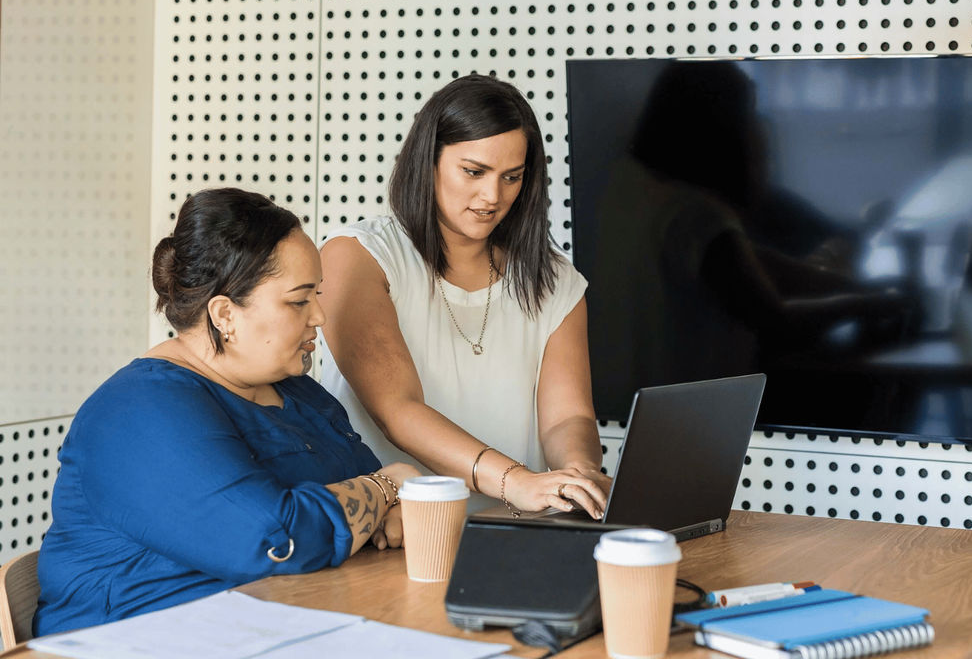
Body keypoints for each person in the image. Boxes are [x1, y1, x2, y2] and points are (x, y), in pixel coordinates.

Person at [34, 189, 419, 635]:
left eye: (317, 295)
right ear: (224, 315)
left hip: (276, 630)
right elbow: (272, 540)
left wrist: (383, 500)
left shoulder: (299, 393)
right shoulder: (137, 412)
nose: (319, 316)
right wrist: (387, 484)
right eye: (298, 301)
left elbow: (377, 513)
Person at [318, 74, 610, 518]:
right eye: (473, 171)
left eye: (511, 177)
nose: (492, 196)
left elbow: (568, 418)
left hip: (510, 535)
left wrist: (577, 475)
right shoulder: (357, 256)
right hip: (389, 532)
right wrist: (517, 481)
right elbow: (398, 411)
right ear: (427, 161)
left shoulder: (555, 278)